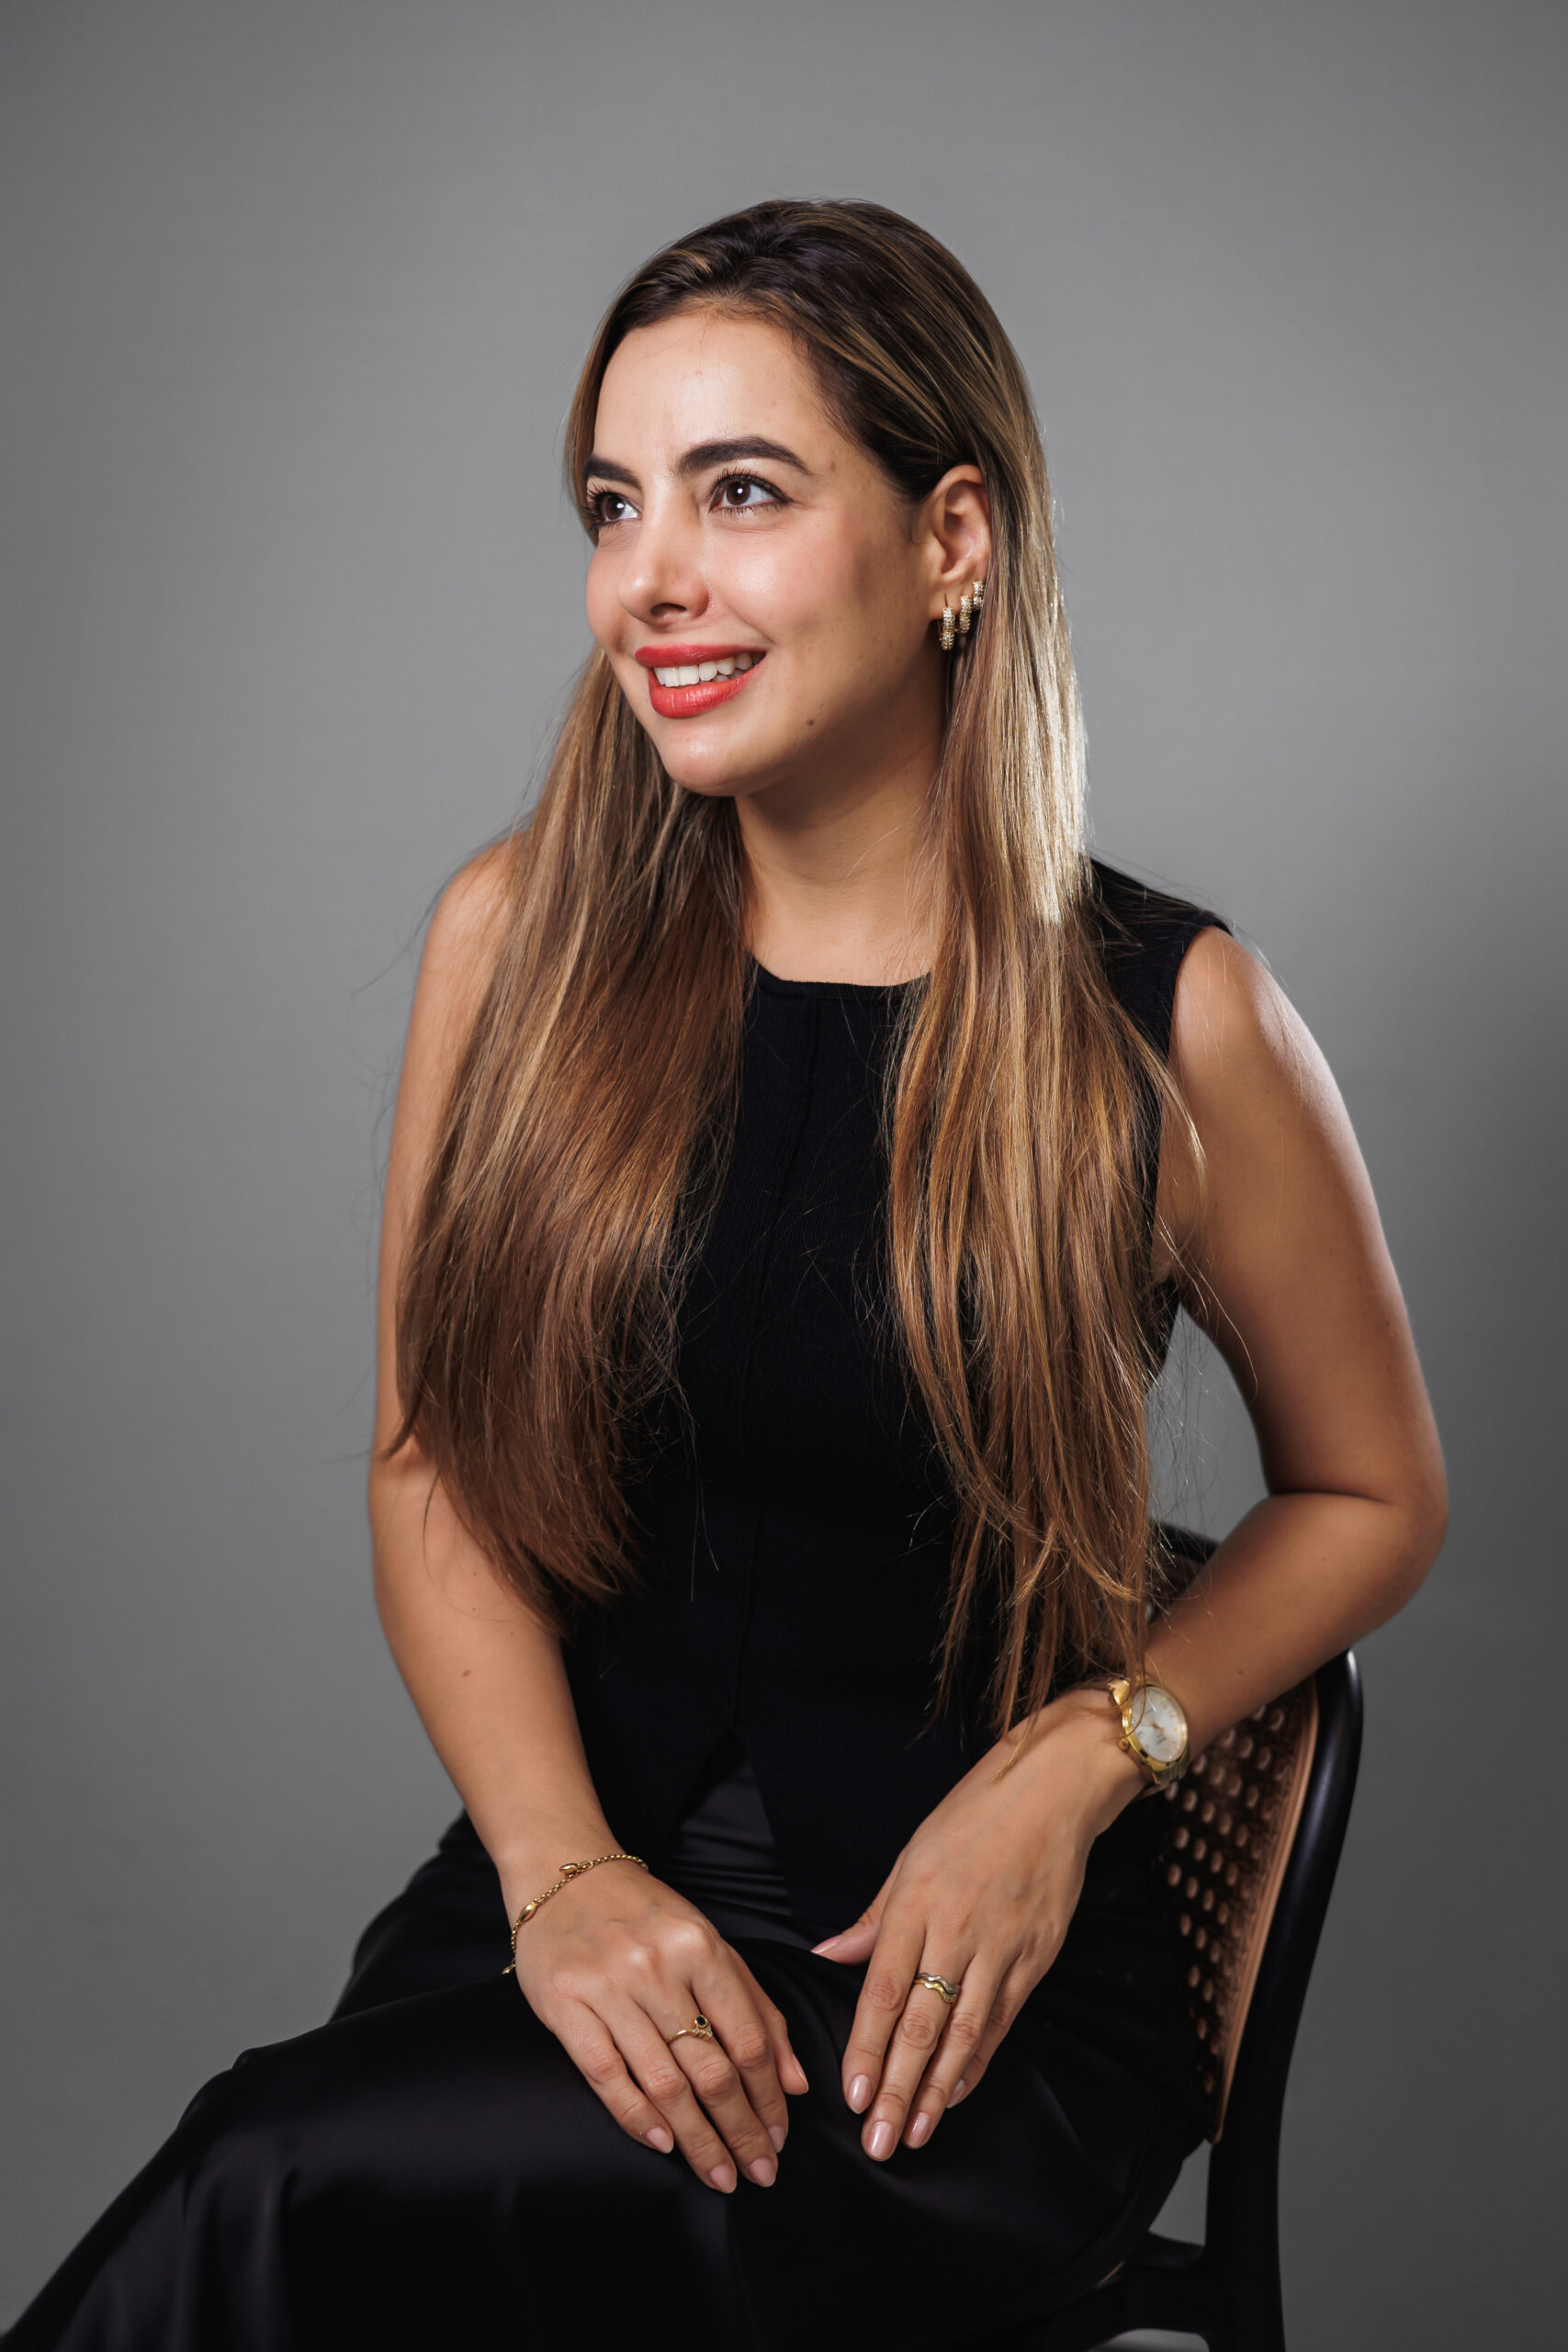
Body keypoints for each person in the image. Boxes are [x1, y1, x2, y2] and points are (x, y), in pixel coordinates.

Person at [5, 198, 1447, 2352]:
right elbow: (430, 1469)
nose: (647, 579)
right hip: (565, 1897)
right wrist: (563, 1876)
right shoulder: (515, 943)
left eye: (739, 492)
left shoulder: (1165, 1019)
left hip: (947, 2009)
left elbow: (1372, 1491)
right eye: (613, 504)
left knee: (267, 2181)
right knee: (329, 2197)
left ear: (951, 538)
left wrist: (1087, 1753)